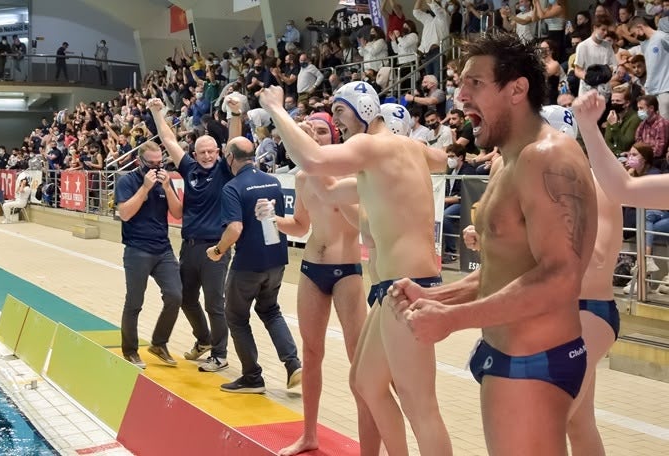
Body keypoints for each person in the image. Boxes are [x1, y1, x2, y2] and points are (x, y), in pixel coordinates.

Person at [390, 33, 597, 455]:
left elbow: (561, 278)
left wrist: (454, 318)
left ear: (517, 89)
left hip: (534, 363)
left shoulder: (547, 158)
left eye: (475, 84)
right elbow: (508, 269)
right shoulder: (509, 158)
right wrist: (438, 297)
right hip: (510, 356)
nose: (460, 96)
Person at [259, 80, 451, 455]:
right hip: (390, 287)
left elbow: (316, 162)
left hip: (408, 284)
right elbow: (328, 189)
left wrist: (276, 109)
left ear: (364, 110)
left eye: (341, 112)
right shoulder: (394, 154)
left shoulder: (373, 146)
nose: (336, 121)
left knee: (420, 404)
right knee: (366, 382)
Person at [464, 100, 621, 455]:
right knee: (580, 423)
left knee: (551, 419)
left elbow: (592, 261)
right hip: (556, 310)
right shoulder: (534, 180)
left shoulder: (593, 183)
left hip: (590, 311)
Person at [262, 111, 378, 455]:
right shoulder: (301, 178)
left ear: (333, 138)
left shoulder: (354, 172)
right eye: (307, 132)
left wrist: (330, 189)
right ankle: (309, 435)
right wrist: (272, 219)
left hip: (347, 271)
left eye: (321, 133)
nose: (314, 137)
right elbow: (300, 226)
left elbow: (363, 225)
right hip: (312, 268)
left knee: (358, 359)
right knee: (311, 354)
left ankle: (369, 445)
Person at [146, 95, 241, 373]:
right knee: (186, 299)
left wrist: (235, 115)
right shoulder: (189, 168)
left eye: (212, 151)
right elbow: (168, 141)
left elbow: (235, 143)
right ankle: (204, 340)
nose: (208, 156)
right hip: (189, 247)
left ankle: (220, 354)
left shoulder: (225, 169)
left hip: (216, 248)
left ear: (219, 152)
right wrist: (157, 113)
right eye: (202, 152)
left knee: (214, 303)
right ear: (196, 153)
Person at [206, 136, 303, 394]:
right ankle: (293, 363)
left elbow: (235, 228)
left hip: (248, 263)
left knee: (236, 317)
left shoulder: (233, 187)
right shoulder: (273, 181)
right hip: (277, 260)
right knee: (270, 310)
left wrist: (218, 250)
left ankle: (252, 377)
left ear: (230, 158)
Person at [114, 141, 183, 369]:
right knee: (135, 302)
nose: (156, 167)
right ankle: (131, 350)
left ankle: (159, 343)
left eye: (159, 163)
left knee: (175, 296)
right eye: (150, 164)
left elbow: (177, 212)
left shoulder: (166, 180)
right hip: (137, 249)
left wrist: (165, 189)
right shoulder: (127, 181)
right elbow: (124, 214)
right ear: (139, 162)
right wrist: (144, 188)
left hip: (163, 249)